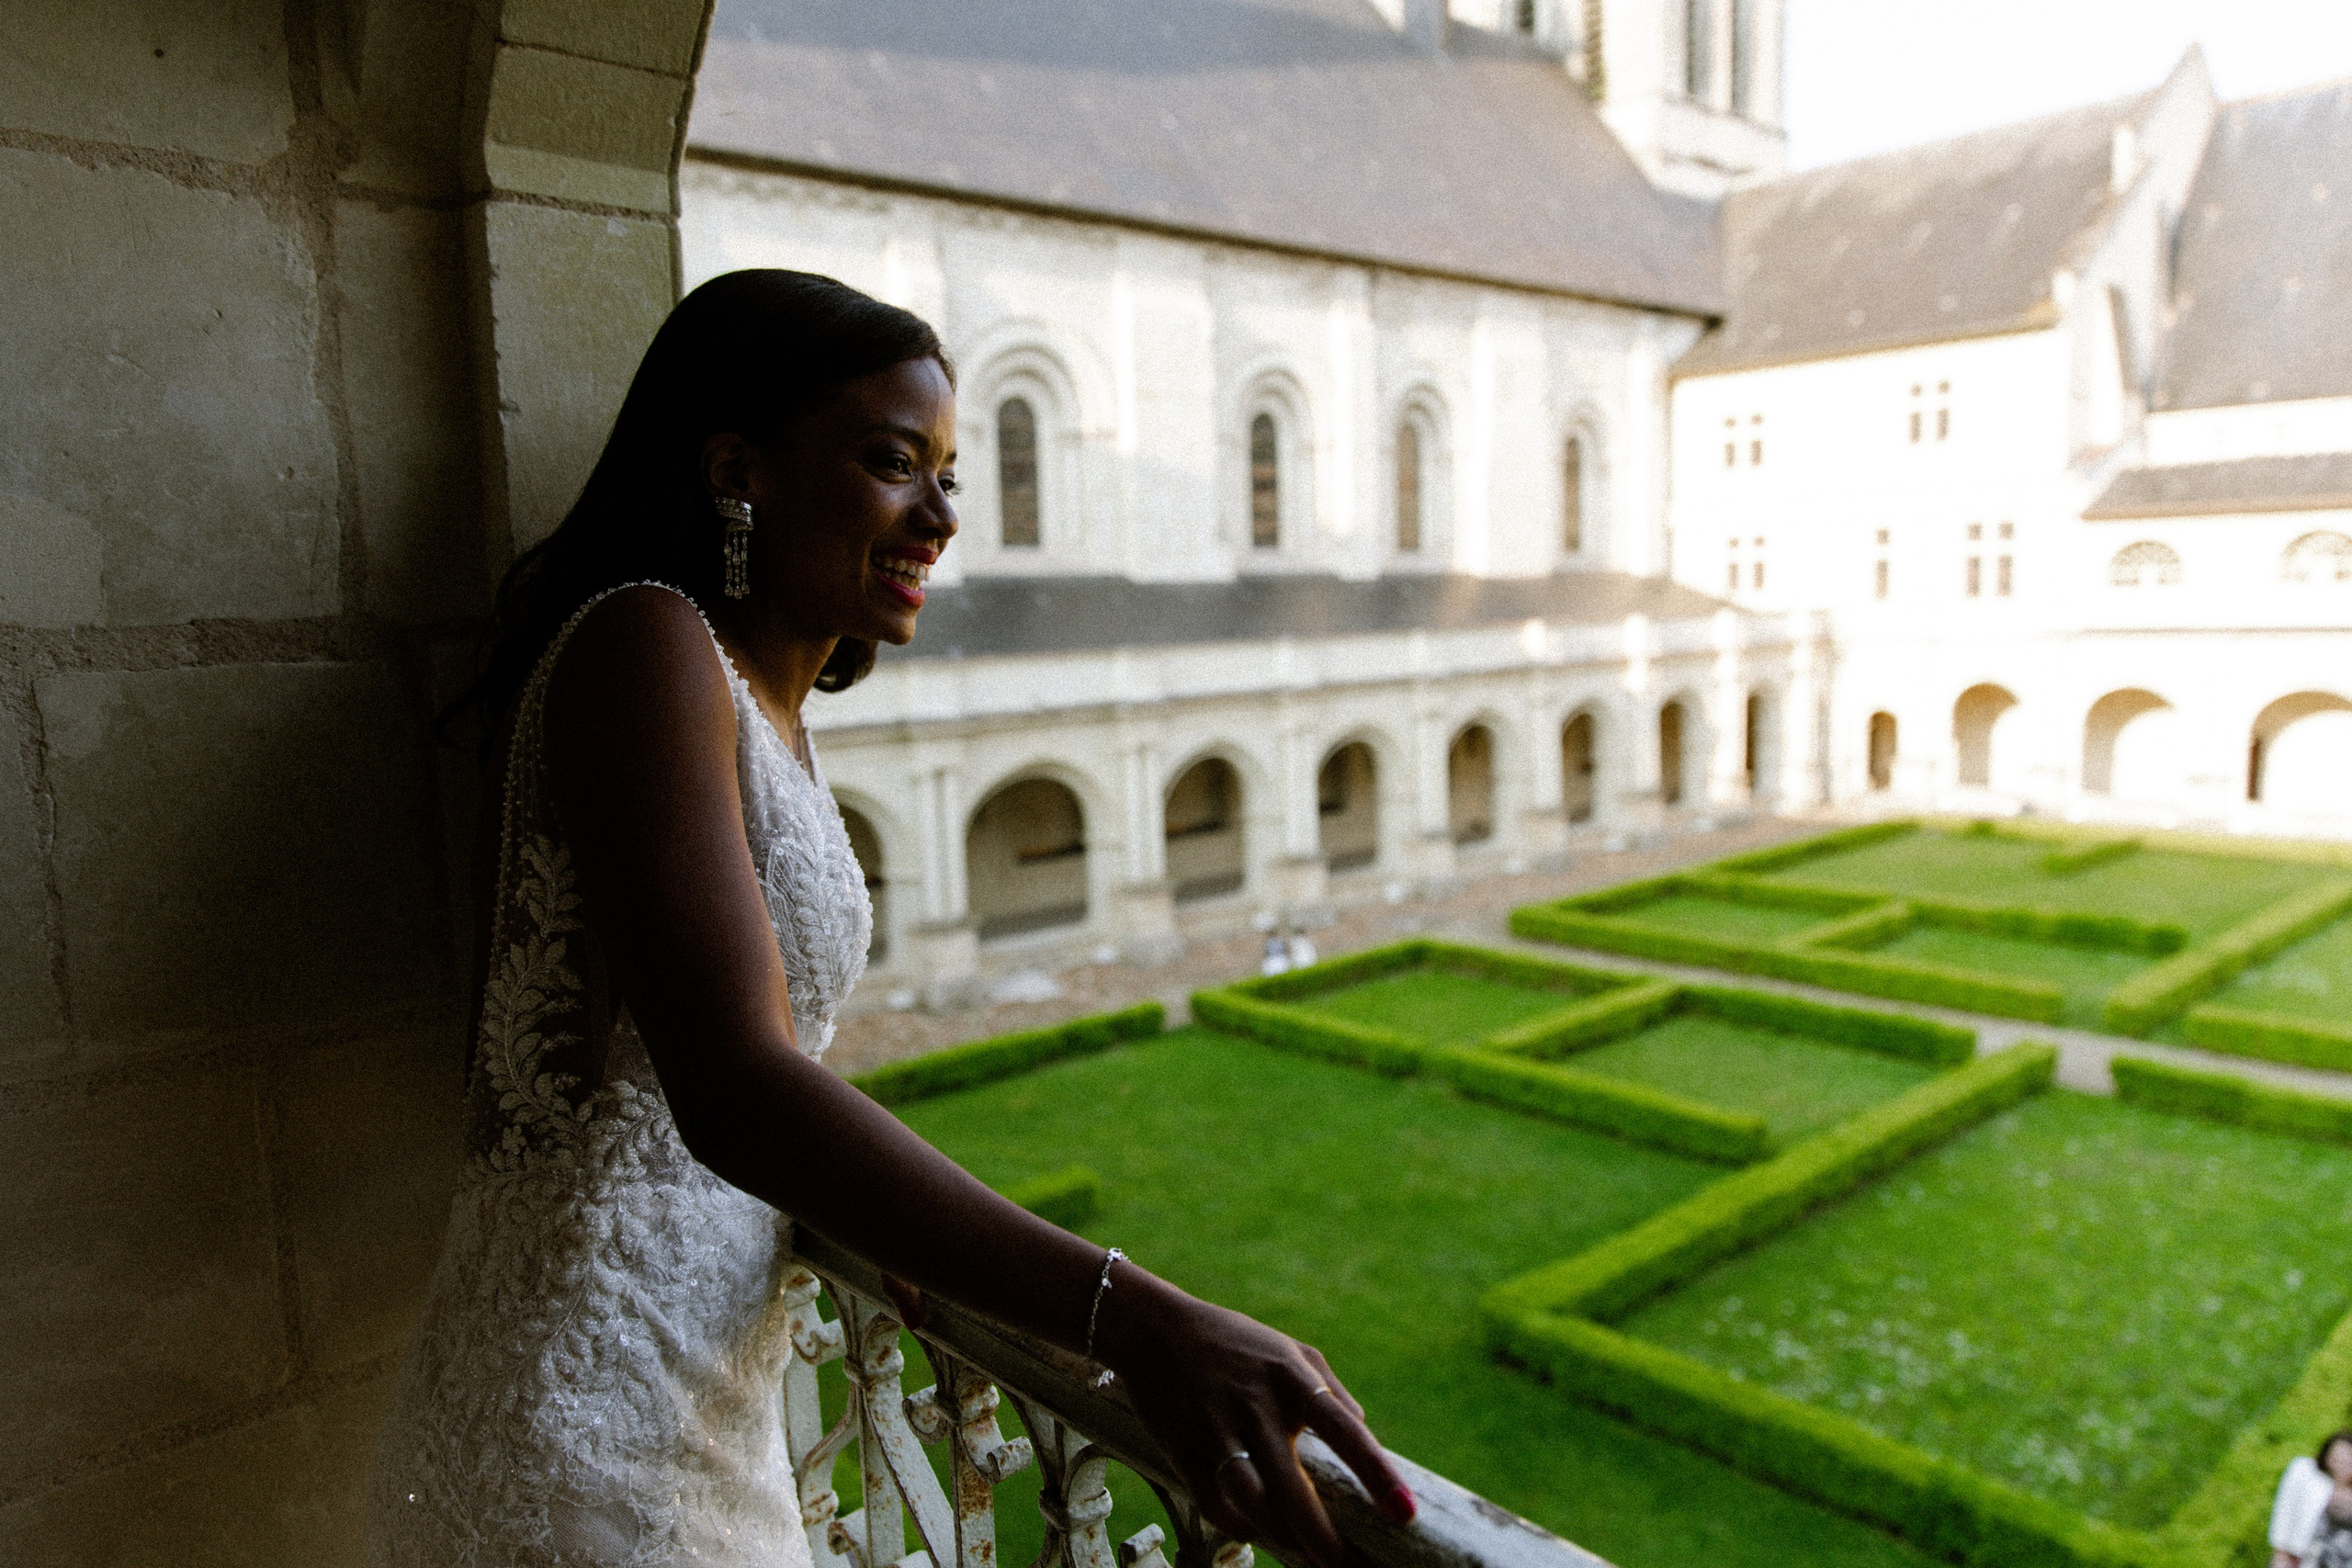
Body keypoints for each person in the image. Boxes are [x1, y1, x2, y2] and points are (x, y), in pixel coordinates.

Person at [366, 271, 1412, 1568]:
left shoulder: (764, 708)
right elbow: (733, 1083)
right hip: (593, 1403)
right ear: (739, 469)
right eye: (891, 461)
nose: (941, 516)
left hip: (688, 1384)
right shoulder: (645, 643)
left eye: (952, 473)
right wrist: (1139, 1315)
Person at [2271, 1430, 2352, 1568]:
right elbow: (2285, 1510)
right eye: (2337, 1457)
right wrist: (2281, 1553)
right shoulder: (2306, 1473)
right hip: (2304, 1558)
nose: (2342, 1463)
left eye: (2348, 1458)